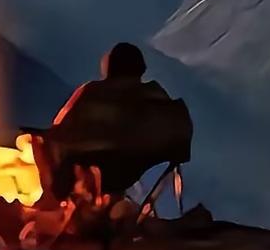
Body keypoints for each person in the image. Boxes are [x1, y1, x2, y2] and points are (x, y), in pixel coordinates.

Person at [37, 42, 191, 203]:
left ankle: (50, 203)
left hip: (92, 173)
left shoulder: (93, 92)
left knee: (38, 145)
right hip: (128, 175)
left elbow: (60, 129)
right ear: (141, 68)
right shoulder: (155, 96)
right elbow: (177, 135)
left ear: (109, 67)